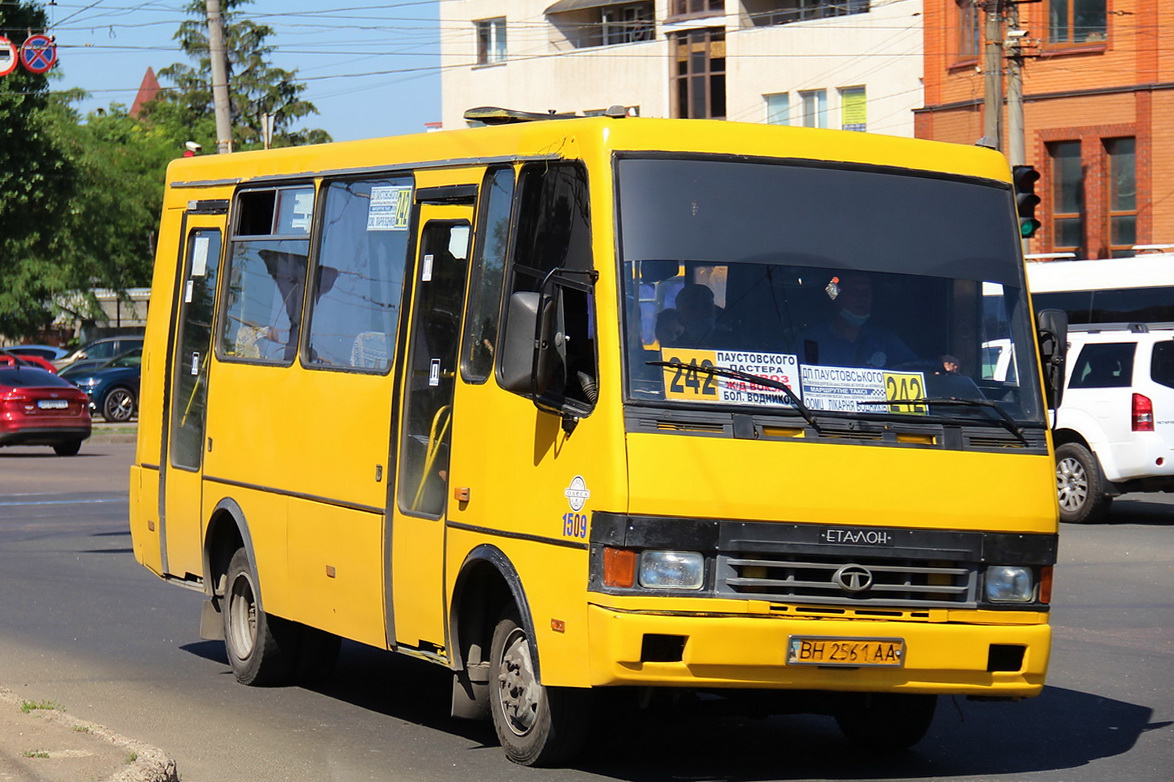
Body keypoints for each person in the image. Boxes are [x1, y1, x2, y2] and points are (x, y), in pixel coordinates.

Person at [801, 272, 917, 369]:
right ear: (836, 297)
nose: (862, 298)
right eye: (854, 292)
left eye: (867, 292)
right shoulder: (811, 341)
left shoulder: (886, 340)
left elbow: (916, 370)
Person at [674, 283, 728, 347]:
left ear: (715, 308)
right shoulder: (672, 347)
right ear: (679, 316)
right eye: (692, 308)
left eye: (707, 306)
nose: (701, 312)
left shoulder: (732, 339)